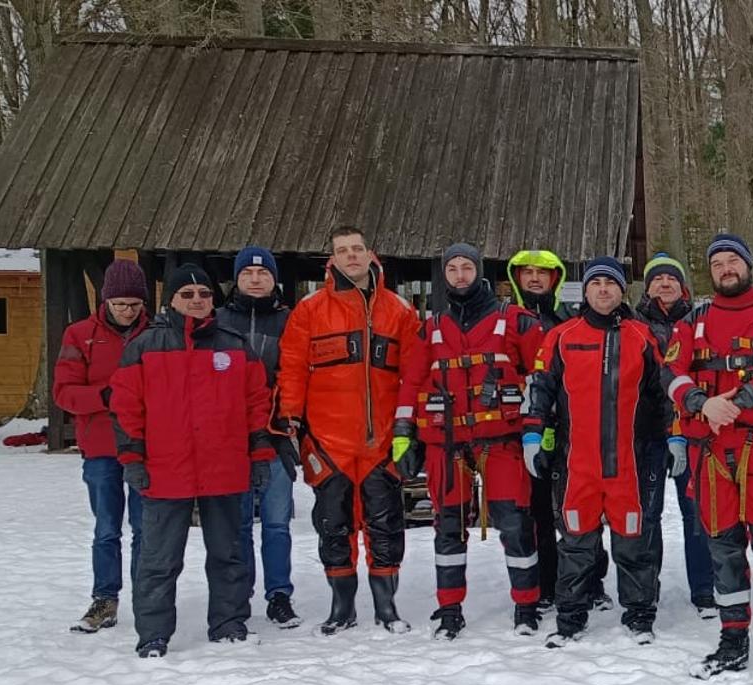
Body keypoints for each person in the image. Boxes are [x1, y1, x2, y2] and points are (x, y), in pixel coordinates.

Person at [664, 234, 753, 683]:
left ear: (748, 265)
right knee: (723, 549)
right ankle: (733, 642)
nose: (727, 268)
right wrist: (699, 402)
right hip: (711, 450)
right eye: (718, 263)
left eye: (734, 260)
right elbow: (670, 371)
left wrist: (741, 398)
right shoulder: (693, 320)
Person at [112, 265, 272, 657]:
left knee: (229, 554)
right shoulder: (145, 346)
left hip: (225, 467)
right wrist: (132, 456)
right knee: (158, 559)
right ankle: (153, 633)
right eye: (188, 294)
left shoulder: (234, 345)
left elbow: (256, 404)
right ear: (171, 300)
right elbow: (125, 407)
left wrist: (260, 454)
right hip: (166, 470)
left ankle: (229, 622)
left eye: (204, 293)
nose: (197, 300)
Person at [393, 243, 547, 640]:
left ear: (479, 272)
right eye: (453, 269)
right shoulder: (430, 328)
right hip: (446, 444)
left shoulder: (515, 321)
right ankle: (449, 608)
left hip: (502, 441)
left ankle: (527, 604)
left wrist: (541, 430)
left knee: (514, 524)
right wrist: (403, 433)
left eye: (467, 268)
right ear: (444, 275)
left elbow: (543, 378)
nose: (460, 275)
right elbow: (411, 382)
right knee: (447, 528)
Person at [278, 225, 422, 635]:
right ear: (333, 259)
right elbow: (291, 367)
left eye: (357, 249)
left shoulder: (400, 311)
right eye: (343, 251)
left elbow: (414, 374)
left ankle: (386, 607)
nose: (351, 256)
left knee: (386, 524)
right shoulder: (309, 310)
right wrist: (290, 420)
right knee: (333, 526)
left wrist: (409, 429)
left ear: (369, 253)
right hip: (328, 440)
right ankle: (342, 608)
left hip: (381, 443)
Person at [525, 257, 671, 647]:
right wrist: (533, 436)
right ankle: (571, 616)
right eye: (597, 283)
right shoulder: (561, 335)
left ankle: (639, 615)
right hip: (577, 465)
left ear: (623, 291)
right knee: (575, 543)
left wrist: (672, 438)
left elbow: (664, 394)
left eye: (611, 283)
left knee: (634, 541)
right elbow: (540, 390)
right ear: (585, 290)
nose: (604, 289)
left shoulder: (643, 336)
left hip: (630, 463)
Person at [58, 258, 151, 634]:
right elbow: (64, 392)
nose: (127, 312)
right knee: (107, 528)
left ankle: (148, 595)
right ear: (106, 301)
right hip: (100, 447)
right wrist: (105, 395)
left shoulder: (157, 333)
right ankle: (105, 599)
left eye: (134, 304)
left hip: (147, 447)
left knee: (147, 528)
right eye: (120, 305)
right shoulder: (79, 335)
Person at [216, 246, 301, 629]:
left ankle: (279, 594)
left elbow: (299, 371)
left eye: (262, 273)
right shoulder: (217, 320)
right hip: (230, 439)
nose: (255, 279)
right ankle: (240, 593)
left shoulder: (290, 321)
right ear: (237, 278)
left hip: (276, 433)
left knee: (276, 521)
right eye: (248, 273)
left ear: (273, 279)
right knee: (237, 524)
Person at [635, 252, 715, 618]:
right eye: (657, 279)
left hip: (692, 431)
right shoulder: (633, 324)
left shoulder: (700, 321)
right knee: (646, 515)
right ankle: (645, 590)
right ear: (648, 287)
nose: (664, 284)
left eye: (671, 279)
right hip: (646, 433)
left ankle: (704, 589)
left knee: (696, 514)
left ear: (682, 286)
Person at [508, 248, 571, 612]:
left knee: (572, 511)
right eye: (527, 272)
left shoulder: (567, 321)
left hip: (565, 430)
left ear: (554, 278)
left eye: (542, 273)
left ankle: (586, 581)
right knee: (536, 513)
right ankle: (545, 584)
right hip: (522, 429)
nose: (534, 278)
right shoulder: (507, 320)